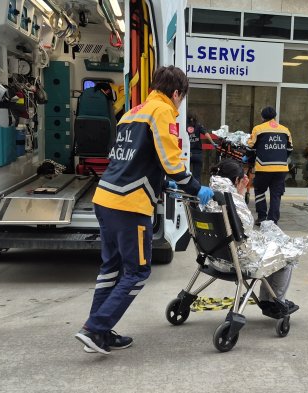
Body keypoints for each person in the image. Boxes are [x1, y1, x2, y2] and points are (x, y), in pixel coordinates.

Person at [74, 66, 213, 355]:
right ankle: (94, 328)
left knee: (111, 269)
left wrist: (158, 183)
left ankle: (100, 333)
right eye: (180, 98)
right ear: (176, 93)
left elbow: (128, 157)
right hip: (129, 203)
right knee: (137, 271)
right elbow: (170, 160)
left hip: (106, 197)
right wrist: (195, 187)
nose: (179, 105)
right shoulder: (161, 113)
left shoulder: (131, 112)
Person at [209, 159, 300, 317]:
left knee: (272, 247)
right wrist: (241, 193)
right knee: (287, 256)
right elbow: (246, 227)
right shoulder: (231, 200)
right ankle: (275, 302)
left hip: (213, 256)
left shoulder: (210, 195)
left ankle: (267, 300)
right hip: (235, 262)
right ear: (237, 180)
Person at [248, 106, 293, 225]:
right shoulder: (285, 130)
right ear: (275, 116)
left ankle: (262, 218)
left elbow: (250, 147)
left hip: (263, 167)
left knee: (260, 191)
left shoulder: (258, 129)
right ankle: (273, 220)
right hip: (281, 168)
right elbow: (290, 148)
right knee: (276, 194)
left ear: (262, 117)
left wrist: (251, 159)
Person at [186, 113, 206, 184]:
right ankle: (196, 192)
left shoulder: (185, 126)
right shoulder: (198, 126)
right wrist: (213, 143)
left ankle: (185, 191)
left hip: (188, 154)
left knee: (185, 174)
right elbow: (206, 134)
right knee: (197, 176)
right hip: (198, 154)